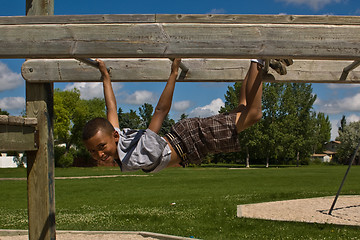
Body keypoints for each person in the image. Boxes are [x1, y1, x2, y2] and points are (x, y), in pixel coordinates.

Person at [82, 58, 289, 173]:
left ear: (114, 137)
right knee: (243, 109)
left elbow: (160, 112)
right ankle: (257, 66)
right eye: (92, 151)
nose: (99, 154)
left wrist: (173, 74)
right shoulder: (119, 141)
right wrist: (106, 77)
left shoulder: (133, 156)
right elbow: (111, 109)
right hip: (190, 144)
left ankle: (259, 60)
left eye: (101, 147)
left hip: (192, 138)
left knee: (253, 115)